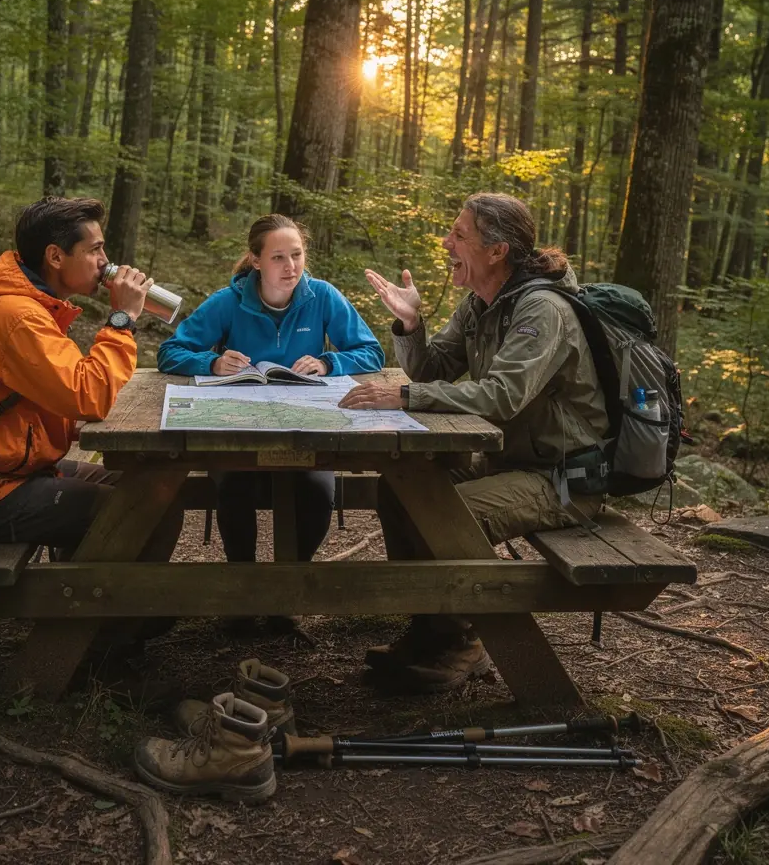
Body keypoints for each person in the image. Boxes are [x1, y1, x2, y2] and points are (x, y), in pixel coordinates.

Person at [340, 192, 609, 690]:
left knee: (447, 512)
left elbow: (502, 396)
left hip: (562, 478)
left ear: (497, 251)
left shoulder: (541, 311)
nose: (446, 242)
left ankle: (462, 644)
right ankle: (431, 630)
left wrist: (404, 396)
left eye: (459, 235)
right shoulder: (481, 303)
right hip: (511, 461)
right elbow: (432, 370)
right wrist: (410, 324)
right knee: (400, 490)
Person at [0, 196, 167, 554]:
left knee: (155, 489)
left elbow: (62, 395)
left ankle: (95, 600)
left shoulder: (34, 307)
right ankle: (106, 606)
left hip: (13, 470)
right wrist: (123, 319)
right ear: (55, 257)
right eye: (96, 250)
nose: (106, 262)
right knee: (146, 511)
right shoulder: (18, 316)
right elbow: (88, 396)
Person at [157, 213, 385, 569]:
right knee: (234, 486)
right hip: (237, 429)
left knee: (317, 490)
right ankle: (244, 587)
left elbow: (371, 352)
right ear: (256, 260)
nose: (290, 266)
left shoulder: (323, 296)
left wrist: (327, 363)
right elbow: (170, 351)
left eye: (296, 254)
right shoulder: (228, 301)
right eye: (278, 257)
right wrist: (212, 364)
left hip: (308, 428)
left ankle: (290, 584)